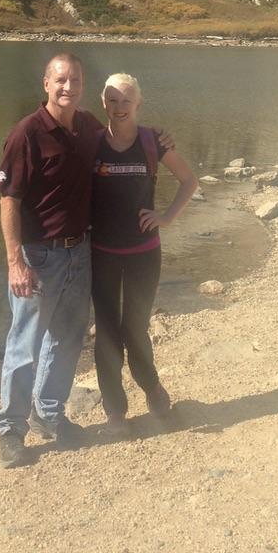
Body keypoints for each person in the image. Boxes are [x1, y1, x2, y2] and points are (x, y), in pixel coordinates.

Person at [0, 53, 101, 468]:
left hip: (79, 252)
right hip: (38, 256)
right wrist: (14, 261)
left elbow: (122, 136)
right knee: (24, 345)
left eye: (74, 80)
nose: (67, 87)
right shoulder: (27, 133)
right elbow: (9, 201)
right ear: (45, 83)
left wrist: (154, 140)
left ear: (82, 85)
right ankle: (11, 430)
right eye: (60, 80)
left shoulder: (88, 126)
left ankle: (50, 414)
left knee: (69, 338)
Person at [90, 73, 198, 437]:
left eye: (127, 100)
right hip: (101, 253)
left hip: (143, 254)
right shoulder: (91, 143)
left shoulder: (153, 141)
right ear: (102, 102)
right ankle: (115, 409)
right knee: (105, 332)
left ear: (139, 104)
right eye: (112, 99)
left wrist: (166, 217)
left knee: (135, 326)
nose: (119, 107)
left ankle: (152, 388)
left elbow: (189, 180)